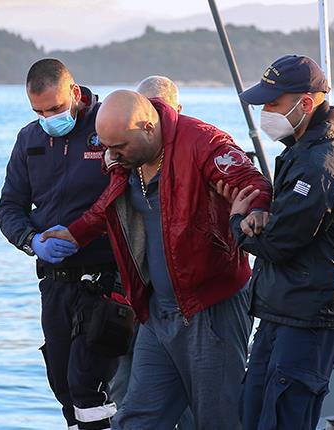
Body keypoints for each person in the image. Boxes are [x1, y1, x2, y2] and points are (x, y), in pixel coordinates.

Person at [42, 90, 272, 429]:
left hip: (209, 307)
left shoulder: (202, 141)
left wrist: (254, 211)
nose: (111, 155)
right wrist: (75, 234)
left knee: (217, 418)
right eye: (107, 147)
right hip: (157, 310)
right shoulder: (129, 158)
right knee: (137, 418)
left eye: (118, 147)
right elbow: (110, 204)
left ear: (148, 128)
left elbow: (252, 183)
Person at [227, 54, 334, 430]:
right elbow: (287, 224)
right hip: (285, 306)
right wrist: (265, 216)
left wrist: (238, 222)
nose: (265, 112)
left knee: (284, 416)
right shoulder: (301, 149)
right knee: (253, 411)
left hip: (311, 311)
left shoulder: (319, 165)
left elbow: (278, 244)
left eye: (273, 103)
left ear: (305, 103)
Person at [0, 58, 119, 430]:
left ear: (75, 93)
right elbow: (9, 208)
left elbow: (125, 198)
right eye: (39, 111)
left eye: (54, 108)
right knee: (62, 382)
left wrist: (83, 232)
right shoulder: (30, 139)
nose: (48, 117)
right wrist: (32, 240)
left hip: (106, 278)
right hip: (54, 280)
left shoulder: (107, 127)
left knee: (89, 383)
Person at [107, 74, 195, 430]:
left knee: (195, 401)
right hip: (137, 301)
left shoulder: (196, 153)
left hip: (188, 308)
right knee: (129, 398)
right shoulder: (126, 162)